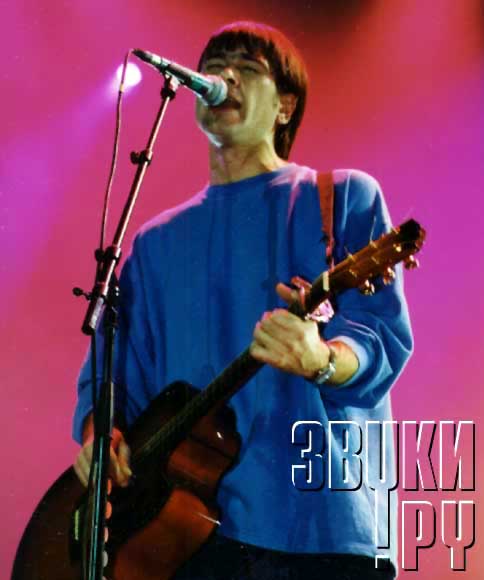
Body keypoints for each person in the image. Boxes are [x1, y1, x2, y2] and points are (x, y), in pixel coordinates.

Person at [73, 21, 412, 580]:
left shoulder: (340, 197)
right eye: (213, 67)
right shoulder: (154, 243)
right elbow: (112, 377)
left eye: (248, 69)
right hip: (182, 534)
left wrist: (322, 359)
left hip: (319, 523)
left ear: (285, 107)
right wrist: (98, 435)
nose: (224, 77)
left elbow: (381, 334)